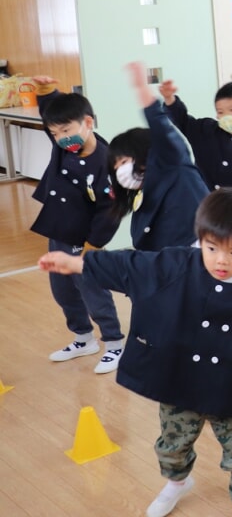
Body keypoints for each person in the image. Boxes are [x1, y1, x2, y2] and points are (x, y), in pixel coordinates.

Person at [38, 189, 232, 517]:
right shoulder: (174, 265)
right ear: (200, 238)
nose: (222, 260)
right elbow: (129, 265)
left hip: (229, 392)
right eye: (212, 248)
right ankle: (178, 482)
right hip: (178, 385)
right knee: (171, 448)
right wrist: (76, 263)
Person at [28, 76, 124, 374]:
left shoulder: (106, 162)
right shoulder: (64, 146)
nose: (61, 138)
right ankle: (83, 338)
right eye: (55, 134)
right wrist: (47, 92)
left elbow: (110, 210)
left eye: (67, 131)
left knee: (93, 291)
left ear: (88, 123)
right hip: (59, 230)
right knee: (63, 290)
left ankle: (114, 343)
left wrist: (92, 246)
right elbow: (52, 115)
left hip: (84, 239)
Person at [159, 77, 232, 273]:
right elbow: (183, 121)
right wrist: (170, 99)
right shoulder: (207, 131)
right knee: (207, 263)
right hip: (209, 216)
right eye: (220, 112)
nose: (226, 116)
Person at [108, 61, 211, 251]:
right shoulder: (143, 192)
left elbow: (159, 123)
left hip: (198, 247)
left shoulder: (173, 162)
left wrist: (141, 87)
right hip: (167, 258)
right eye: (116, 168)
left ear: (142, 152)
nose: (120, 172)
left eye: (123, 162)